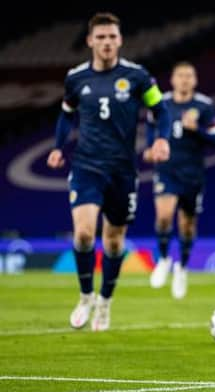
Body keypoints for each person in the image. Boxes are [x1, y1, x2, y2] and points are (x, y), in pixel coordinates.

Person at [47, 12, 170, 331]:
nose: (106, 42)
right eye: (100, 37)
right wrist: (60, 147)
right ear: (90, 41)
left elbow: (161, 110)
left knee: (114, 242)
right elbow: (66, 116)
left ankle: (105, 301)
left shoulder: (137, 76)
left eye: (112, 36)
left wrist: (160, 141)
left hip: (122, 171)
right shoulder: (76, 78)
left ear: (120, 39)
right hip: (86, 166)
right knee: (85, 233)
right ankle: (86, 295)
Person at [147, 61, 215, 298]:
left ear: (195, 80)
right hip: (166, 169)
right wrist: (151, 148)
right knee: (163, 216)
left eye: (188, 76)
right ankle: (163, 259)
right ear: (172, 79)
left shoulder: (204, 105)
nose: (184, 80)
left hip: (193, 173)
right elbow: (152, 130)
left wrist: (196, 128)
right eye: (180, 75)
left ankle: (182, 266)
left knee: (187, 224)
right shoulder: (162, 103)